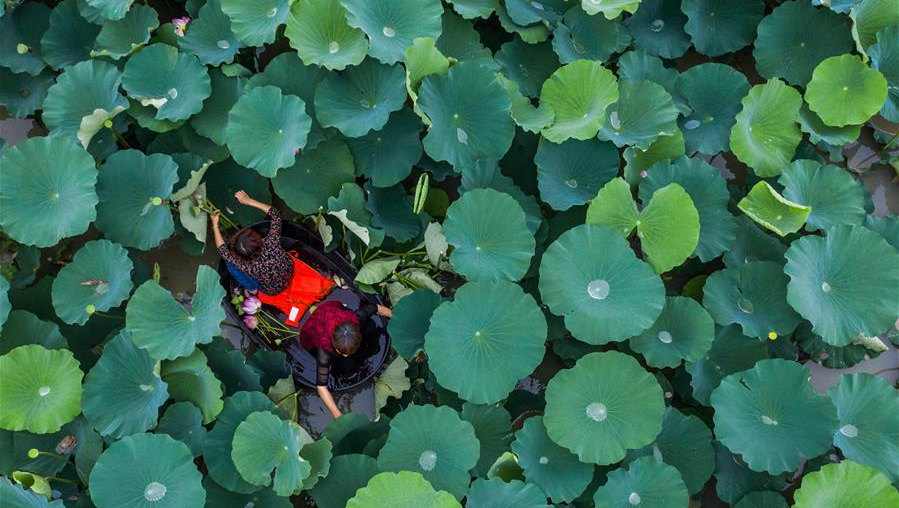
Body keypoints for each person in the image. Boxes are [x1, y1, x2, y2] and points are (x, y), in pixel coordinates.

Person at [300, 300, 392, 418]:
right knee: (346, 364)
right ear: (334, 346)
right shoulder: (325, 348)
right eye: (343, 353)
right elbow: (321, 388)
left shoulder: (355, 318)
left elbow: (375, 307)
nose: (345, 355)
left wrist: (395, 316)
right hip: (314, 330)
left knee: (370, 327)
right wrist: (339, 416)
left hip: (334, 312)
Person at [211, 191, 293, 296]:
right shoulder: (272, 241)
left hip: (272, 290)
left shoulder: (244, 265)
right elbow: (275, 214)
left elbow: (222, 251)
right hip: (289, 270)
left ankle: (252, 289)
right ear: (256, 238)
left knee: (230, 265)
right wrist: (249, 201)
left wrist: (215, 225)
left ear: (240, 256)